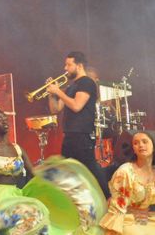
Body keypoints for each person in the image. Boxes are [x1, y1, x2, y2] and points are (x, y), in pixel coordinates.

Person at [47, 51, 109, 196]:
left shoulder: (87, 82)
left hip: (82, 134)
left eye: (69, 64)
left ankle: (108, 197)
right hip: (69, 134)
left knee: (90, 168)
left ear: (79, 66)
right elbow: (55, 109)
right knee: (68, 171)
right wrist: (51, 94)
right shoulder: (70, 87)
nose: (65, 68)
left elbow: (76, 106)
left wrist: (58, 91)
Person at [100, 131, 155, 234]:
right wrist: (135, 213)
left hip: (149, 218)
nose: (141, 145)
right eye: (136, 143)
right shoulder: (125, 172)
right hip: (127, 218)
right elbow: (117, 207)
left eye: (144, 141)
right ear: (133, 149)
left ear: (153, 146)